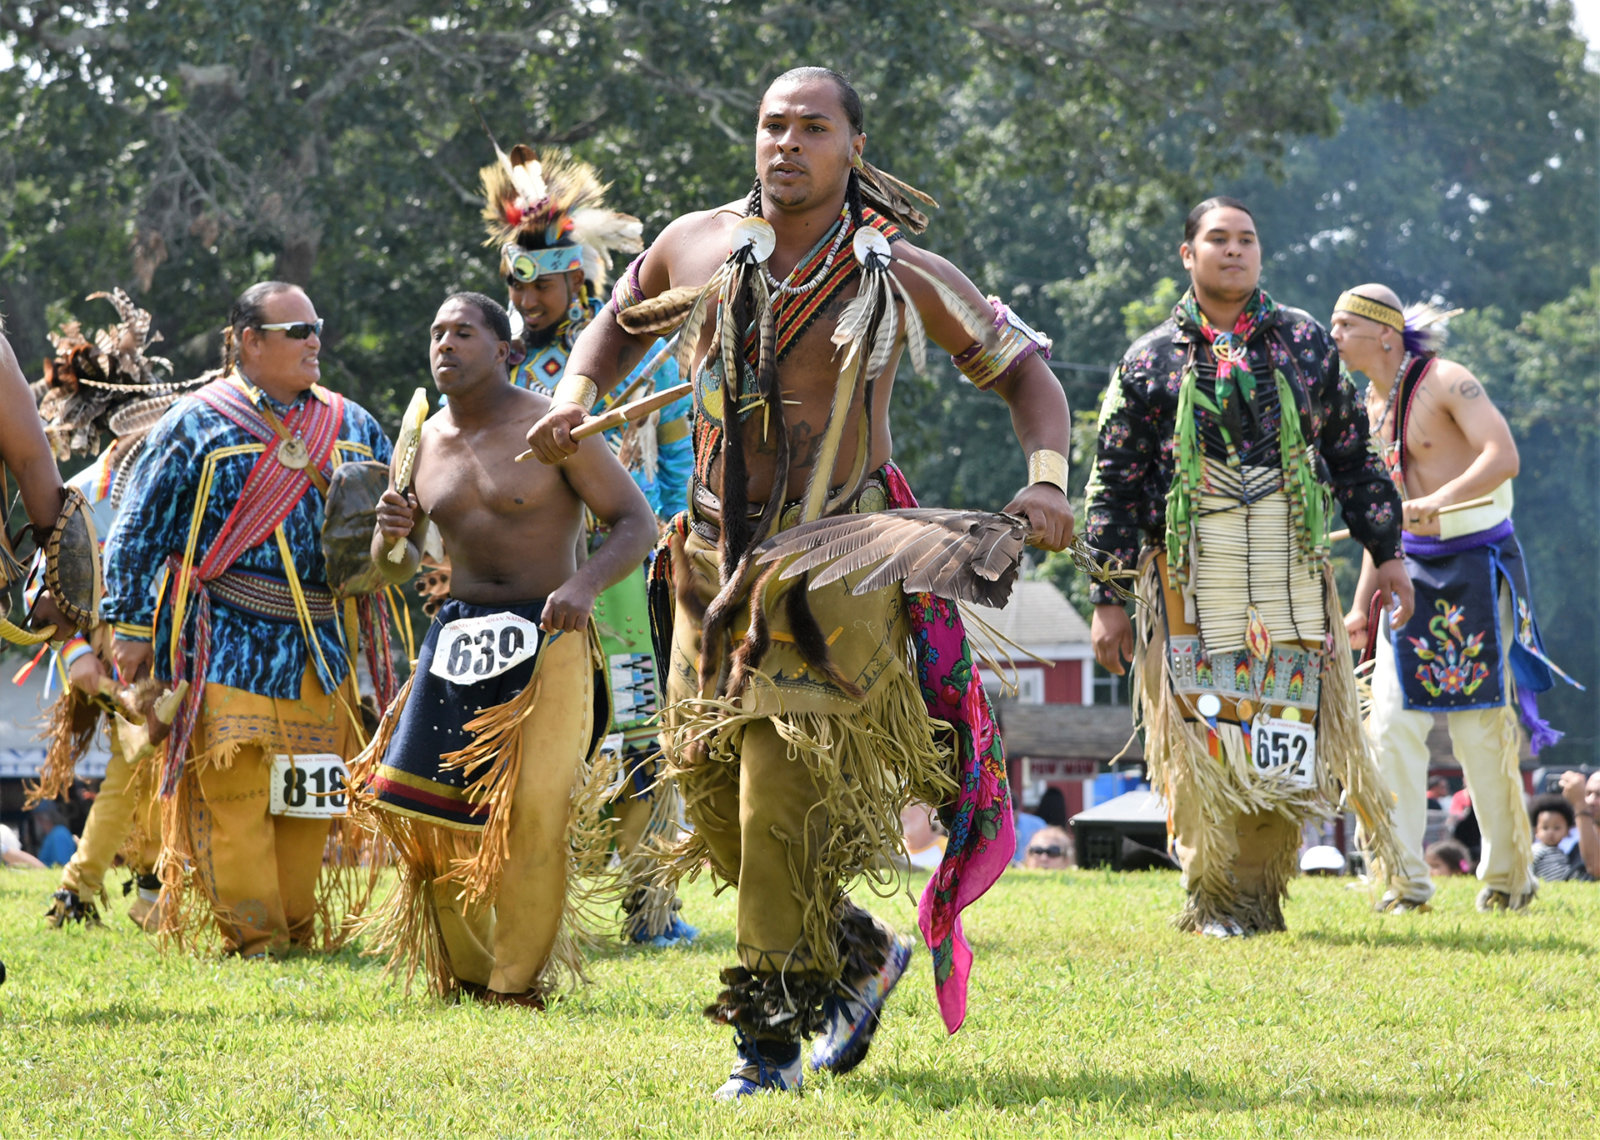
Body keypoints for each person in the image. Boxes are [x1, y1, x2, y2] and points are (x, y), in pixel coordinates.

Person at [525, 66, 1074, 1097]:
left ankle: (765, 1044)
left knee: (781, 794)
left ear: (852, 148)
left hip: (835, 566)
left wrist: (1045, 484)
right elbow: (618, 319)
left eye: (811, 128)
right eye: (772, 125)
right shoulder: (696, 244)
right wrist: (575, 392)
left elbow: (1023, 374)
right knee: (710, 799)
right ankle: (857, 956)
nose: (785, 143)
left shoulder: (900, 271)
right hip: (706, 563)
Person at [1084, 196, 1410, 938]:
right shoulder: (1149, 360)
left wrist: (1387, 554)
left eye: (1248, 240)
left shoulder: (1303, 344)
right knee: (1206, 735)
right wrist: (1107, 596)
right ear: (1188, 254)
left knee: (1282, 730)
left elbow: (1354, 458)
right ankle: (1215, 899)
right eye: (1219, 240)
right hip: (1190, 571)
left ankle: (1257, 900)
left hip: (1289, 565)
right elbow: (1116, 481)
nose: (1235, 251)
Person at [358, 292, 657, 1006]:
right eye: (435, 333)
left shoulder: (554, 428)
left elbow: (635, 524)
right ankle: (467, 972)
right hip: (458, 638)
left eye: (463, 332)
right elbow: (391, 568)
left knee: (535, 815)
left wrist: (584, 586)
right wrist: (389, 533)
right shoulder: (421, 443)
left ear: (504, 348)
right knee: (430, 814)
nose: (445, 345)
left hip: (550, 636)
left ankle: (515, 984)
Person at [103, 281, 393, 957]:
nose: (314, 340)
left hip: (320, 643)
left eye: (316, 326)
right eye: (296, 330)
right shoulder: (196, 423)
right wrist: (131, 628)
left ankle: (293, 927)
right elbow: (137, 529)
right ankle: (255, 940)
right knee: (234, 794)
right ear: (248, 342)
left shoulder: (352, 425)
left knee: (310, 797)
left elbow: (395, 517)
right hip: (225, 636)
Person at [477, 144, 698, 945]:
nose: (528, 295)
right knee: (541, 732)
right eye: (516, 281)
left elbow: (676, 456)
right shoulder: (502, 370)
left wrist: (670, 538)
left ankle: (650, 906)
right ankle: (539, 894)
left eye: (542, 280)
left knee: (642, 730)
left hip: (629, 575)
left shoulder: (641, 362)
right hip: (536, 575)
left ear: (581, 278)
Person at [1332, 283, 1580, 914]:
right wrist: (1362, 605)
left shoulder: (1448, 380)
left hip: (1475, 565)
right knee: (1389, 725)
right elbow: (1380, 522)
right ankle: (1405, 881)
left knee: (1478, 731)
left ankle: (1507, 879)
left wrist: (1434, 503)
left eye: (1344, 326)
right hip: (1407, 570)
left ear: (1384, 332)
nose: (1334, 338)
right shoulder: (1370, 406)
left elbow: (1505, 456)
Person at [30, 290, 195, 930]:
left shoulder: (100, 482)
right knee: (141, 754)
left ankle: (137, 881)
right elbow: (39, 591)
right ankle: (116, 886)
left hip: (137, 643)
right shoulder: (87, 488)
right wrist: (79, 656)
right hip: (128, 645)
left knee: (142, 755)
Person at [1558, 770, 1600, 881]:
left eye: (1599, 795)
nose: (1591, 801)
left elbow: (1596, 868)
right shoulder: (1571, 839)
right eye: (1587, 793)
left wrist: (1580, 804)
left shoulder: (1581, 809)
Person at [1527, 794, 1575, 882]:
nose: (1550, 833)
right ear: (1536, 831)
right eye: (1545, 828)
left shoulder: (1562, 853)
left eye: (1557, 828)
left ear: (1567, 831)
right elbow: (1528, 869)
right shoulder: (1536, 850)